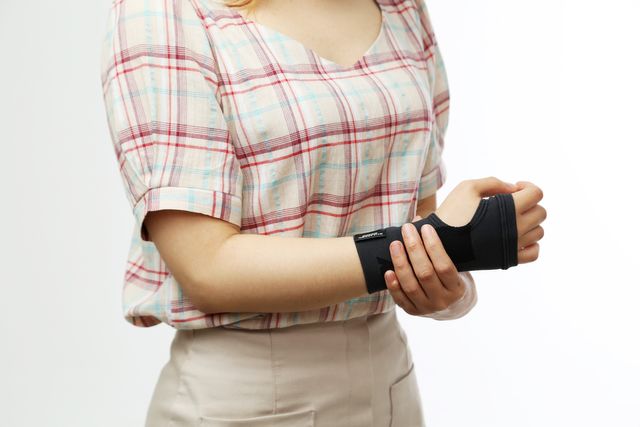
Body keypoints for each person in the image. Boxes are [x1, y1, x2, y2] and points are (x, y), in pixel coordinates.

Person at [99, 0, 546, 425]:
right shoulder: (165, 12)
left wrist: (446, 286)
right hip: (246, 401)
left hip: (391, 384)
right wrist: (449, 241)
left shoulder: (401, 8)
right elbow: (208, 269)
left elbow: (417, 223)